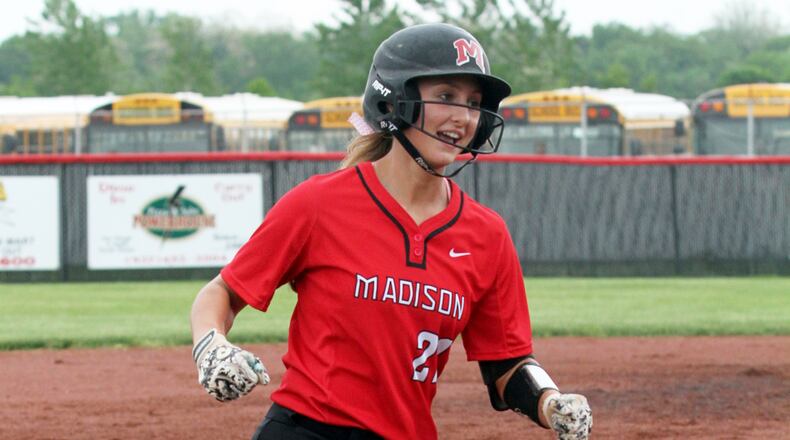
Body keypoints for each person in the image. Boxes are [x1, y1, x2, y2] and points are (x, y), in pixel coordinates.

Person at [190, 23, 592, 440]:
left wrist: (549, 401)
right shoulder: (319, 204)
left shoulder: (486, 235)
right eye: (446, 96)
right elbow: (221, 294)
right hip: (307, 430)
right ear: (392, 99)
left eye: (473, 103)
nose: (463, 116)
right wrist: (211, 346)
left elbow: (507, 364)